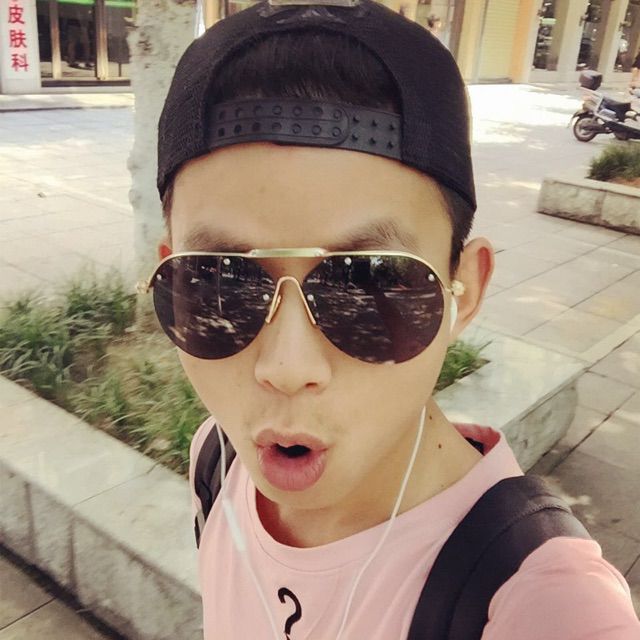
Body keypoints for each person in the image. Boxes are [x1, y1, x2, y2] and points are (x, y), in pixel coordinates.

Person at [147, 0, 640, 637]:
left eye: (369, 284)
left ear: (465, 289)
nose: (287, 368)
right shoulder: (217, 461)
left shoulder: (546, 606)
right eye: (220, 282)